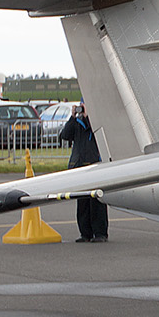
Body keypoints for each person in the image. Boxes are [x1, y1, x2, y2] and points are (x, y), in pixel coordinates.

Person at [59, 104, 109, 243]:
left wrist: (89, 117)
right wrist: (72, 117)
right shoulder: (76, 123)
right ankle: (85, 233)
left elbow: (97, 133)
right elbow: (65, 135)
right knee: (82, 202)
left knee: (97, 202)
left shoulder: (97, 122)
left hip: (95, 164)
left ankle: (100, 233)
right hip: (80, 166)